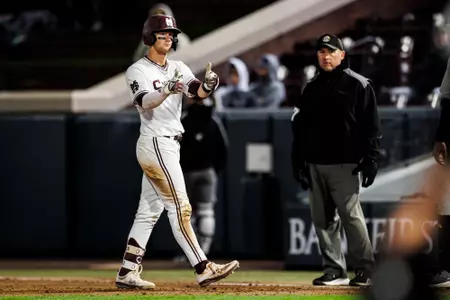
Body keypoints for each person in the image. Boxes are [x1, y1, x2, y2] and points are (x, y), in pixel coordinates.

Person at [116, 13, 239, 290]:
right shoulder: (138, 70)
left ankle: (128, 270)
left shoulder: (179, 66)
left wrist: (208, 85)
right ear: (150, 38)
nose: (169, 38)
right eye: (163, 34)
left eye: (172, 34)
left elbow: (196, 92)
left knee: (148, 212)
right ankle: (203, 267)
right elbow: (144, 101)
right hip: (155, 141)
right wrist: (167, 90)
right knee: (180, 207)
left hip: (171, 143)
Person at [291, 33, 381, 286]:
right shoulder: (311, 87)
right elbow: (301, 128)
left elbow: (371, 126)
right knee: (322, 220)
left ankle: (366, 270)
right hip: (316, 162)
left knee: (351, 217)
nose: (325, 56)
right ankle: (334, 270)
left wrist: (371, 158)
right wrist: (298, 161)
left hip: (346, 163)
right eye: (321, 51)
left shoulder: (359, 84)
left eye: (331, 51)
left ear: (342, 55)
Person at [178, 97, 228, 259]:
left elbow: (173, 146)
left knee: (187, 213)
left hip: (186, 173)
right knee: (206, 211)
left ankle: (191, 253)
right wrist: (216, 169)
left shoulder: (183, 119)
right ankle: (204, 251)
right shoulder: (213, 120)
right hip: (207, 171)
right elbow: (223, 148)